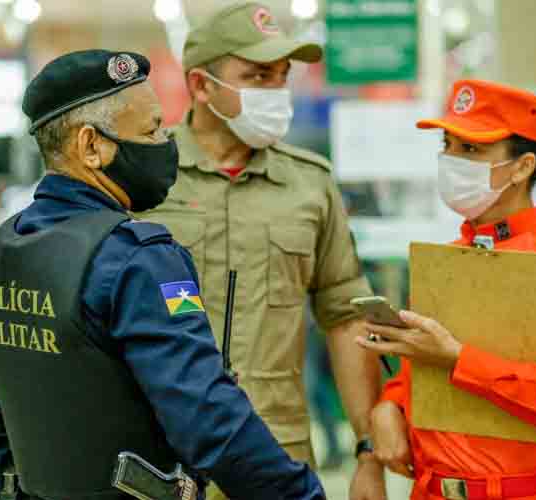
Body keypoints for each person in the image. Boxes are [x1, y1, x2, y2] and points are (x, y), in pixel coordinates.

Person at [0, 49, 325, 500]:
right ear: (91, 147)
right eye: (152, 129)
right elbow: (210, 422)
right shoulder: (135, 261)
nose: (165, 143)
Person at [139, 3, 385, 499]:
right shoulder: (144, 181)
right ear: (202, 85)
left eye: (281, 76)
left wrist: (368, 453)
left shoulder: (310, 186)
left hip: (277, 450)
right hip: (163, 448)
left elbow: (345, 317)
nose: (275, 91)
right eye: (256, 75)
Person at [357, 80, 536, 500]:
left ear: (522, 167)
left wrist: (459, 359)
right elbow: (416, 376)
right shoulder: (445, 262)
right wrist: (389, 407)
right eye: (448, 144)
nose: (451, 160)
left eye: (472, 150)